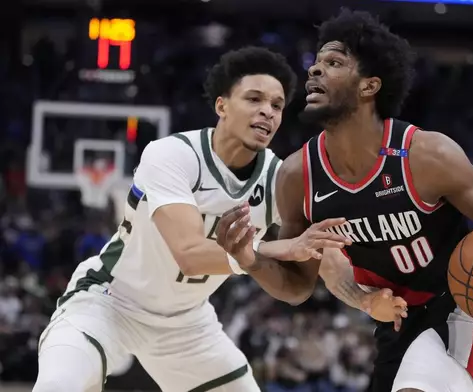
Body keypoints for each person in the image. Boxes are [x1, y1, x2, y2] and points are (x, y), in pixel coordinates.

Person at [216, 10, 473, 392]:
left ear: (369, 86)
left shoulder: (425, 154)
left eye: (334, 62)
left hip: (461, 302)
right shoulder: (297, 176)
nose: (314, 71)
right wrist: (250, 260)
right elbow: (297, 286)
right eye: (317, 62)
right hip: (395, 319)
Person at [33, 47, 351, 392]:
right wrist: (276, 249)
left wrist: (366, 299)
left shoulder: (279, 178)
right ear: (221, 106)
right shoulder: (172, 155)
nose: (267, 111)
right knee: (58, 385)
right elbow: (188, 252)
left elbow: (324, 255)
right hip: (109, 302)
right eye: (254, 98)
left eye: (276, 105)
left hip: (186, 323)